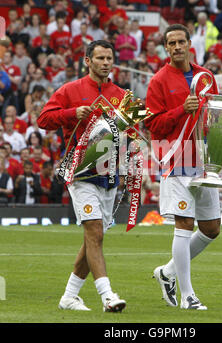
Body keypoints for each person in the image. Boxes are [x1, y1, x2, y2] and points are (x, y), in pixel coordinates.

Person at [145, 24, 222, 310]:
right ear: (166, 47)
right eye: (171, 43)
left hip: (203, 160)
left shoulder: (206, 77)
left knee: (212, 229)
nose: (177, 47)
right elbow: (152, 125)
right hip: (176, 158)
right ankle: (188, 296)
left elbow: (213, 117)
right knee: (184, 223)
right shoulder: (159, 81)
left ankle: (167, 273)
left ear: (190, 43)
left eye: (181, 41)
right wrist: (182, 109)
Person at [37, 40, 126, 312]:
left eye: (109, 57)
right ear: (87, 61)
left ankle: (69, 296)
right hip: (80, 171)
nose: (105, 62)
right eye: (99, 58)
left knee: (93, 238)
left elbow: (128, 133)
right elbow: (43, 120)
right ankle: (107, 296)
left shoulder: (121, 95)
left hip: (109, 173)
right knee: (95, 232)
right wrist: (71, 113)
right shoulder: (70, 90)